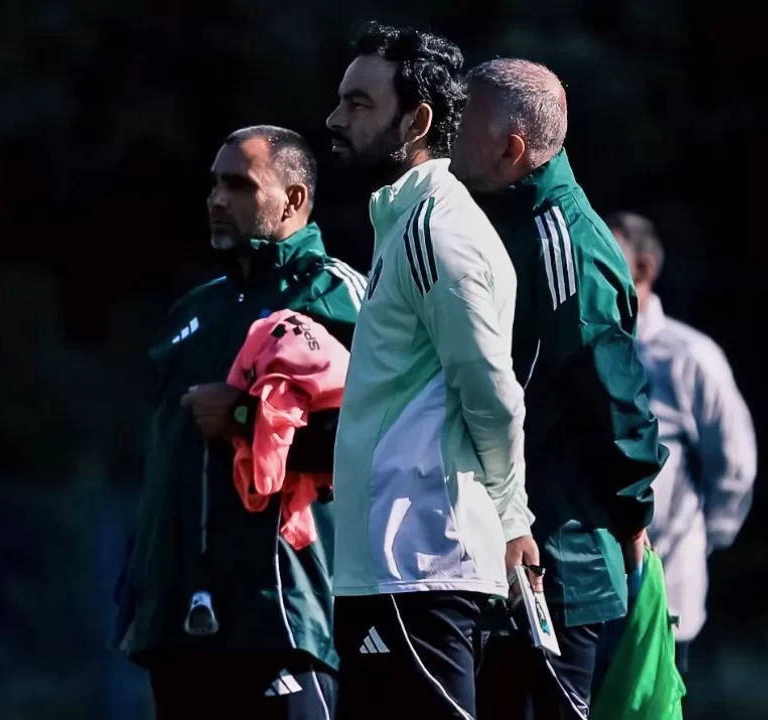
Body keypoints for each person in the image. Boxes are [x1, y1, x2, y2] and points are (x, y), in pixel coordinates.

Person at [110, 125, 366, 718]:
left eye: (240, 185)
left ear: (294, 199)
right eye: (213, 185)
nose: (217, 200)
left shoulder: (338, 297)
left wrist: (246, 415)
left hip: (284, 612)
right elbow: (167, 458)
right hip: (177, 623)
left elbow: (376, 443)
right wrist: (142, 580)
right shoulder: (193, 311)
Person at [323, 23, 538, 720]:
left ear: (416, 121)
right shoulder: (404, 220)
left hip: (418, 563)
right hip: (389, 570)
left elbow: (493, 396)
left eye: (359, 103)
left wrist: (512, 520)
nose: (334, 119)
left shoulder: (435, 230)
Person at [451, 58, 669, 718]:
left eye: (466, 123)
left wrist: (632, 517)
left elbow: (615, 404)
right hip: (495, 555)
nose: (450, 134)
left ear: (512, 149)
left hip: (558, 560)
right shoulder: (503, 222)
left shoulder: (563, 243)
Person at [607, 210, 757, 677]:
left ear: (644, 268)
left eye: (609, 254)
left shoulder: (689, 357)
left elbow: (734, 462)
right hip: (588, 587)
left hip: (668, 578)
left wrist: (705, 536)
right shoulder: (577, 347)